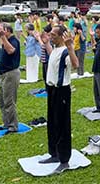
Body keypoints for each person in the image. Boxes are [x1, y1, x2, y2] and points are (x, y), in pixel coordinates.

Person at [38, 25, 78, 173]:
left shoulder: (66, 52)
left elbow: (75, 65)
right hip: (52, 90)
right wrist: (46, 43)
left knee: (62, 125)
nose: (51, 36)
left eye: (53, 35)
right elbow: (53, 56)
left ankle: (64, 160)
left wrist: (71, 47)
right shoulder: (55, 49)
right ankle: (54, 153)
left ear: (62, 36)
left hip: (62, 92)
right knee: (52, 123)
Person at [0, 23, 21, 133]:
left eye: (3, 30)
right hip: (3, 74)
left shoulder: (13, 40)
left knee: (9, 101)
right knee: (2, 101)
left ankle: (13, 126)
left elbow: (11, 50)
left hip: (11, 74)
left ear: (8, 31)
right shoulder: (5, 39)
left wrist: (2, 37)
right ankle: (6, 123)